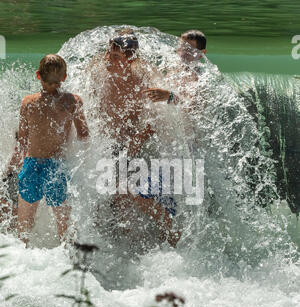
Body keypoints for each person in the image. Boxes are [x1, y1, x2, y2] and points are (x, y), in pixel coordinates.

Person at [88, 30, 181, 248]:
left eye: (116, 57)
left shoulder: (142, 74)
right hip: (108, 143)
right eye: (109, 53)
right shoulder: (99, 68)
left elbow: (163, 112)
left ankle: (167, 231)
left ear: (130, 59)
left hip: (136, 143)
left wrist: (136, 141)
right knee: (111, 196)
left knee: (124, 192)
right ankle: (118, 243)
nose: (109, 60)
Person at [4, 54, 89, 246]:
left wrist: (9, 169)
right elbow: (84, 135)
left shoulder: (27, 102)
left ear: (37, 75)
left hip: (31, 166)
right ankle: (70, 264)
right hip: (57, 168)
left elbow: (23, 142)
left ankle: (21, 263)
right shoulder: (73, 101)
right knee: (65, 230)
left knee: (23, 229)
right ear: (64, 77)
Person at [144, 29, 207, 104]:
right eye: (181, 48)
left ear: (201, 53)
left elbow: (194, 110)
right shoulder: (173, 69)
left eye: (189, 50)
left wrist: (170, 96)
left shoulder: (200, 79)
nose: (183, 53)